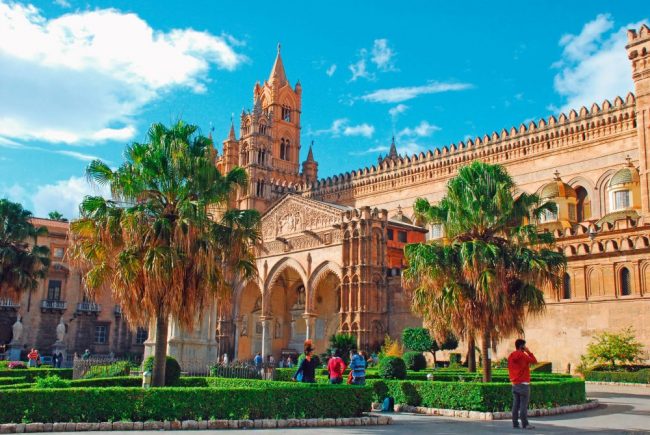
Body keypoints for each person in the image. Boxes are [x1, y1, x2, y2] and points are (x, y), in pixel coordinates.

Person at [508, 339, 538, 430]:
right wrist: (528, 352)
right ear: (522, 346)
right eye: (524, 346)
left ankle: (515, 423)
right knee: (523, 406)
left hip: (514, 384)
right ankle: (525, 424)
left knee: (515, 405)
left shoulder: (511, 356)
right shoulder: (523, 355)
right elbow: (534, 361)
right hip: (523, 384)